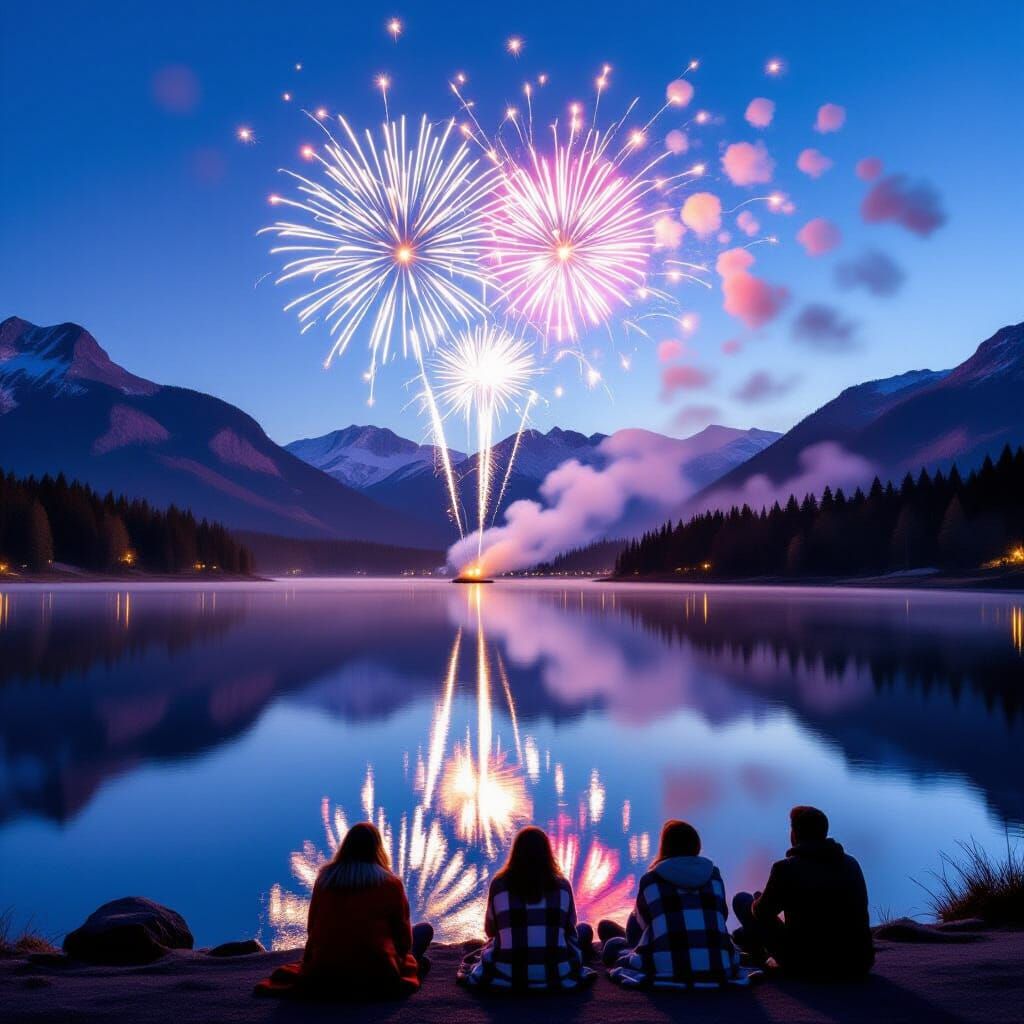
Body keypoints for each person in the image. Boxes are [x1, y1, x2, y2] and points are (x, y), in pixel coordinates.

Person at [254, 822, 433, 999]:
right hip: (377, 972)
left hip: (322, 971)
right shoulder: (391, 884)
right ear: (378, 849)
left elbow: (312, 928)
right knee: (424, 930)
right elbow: (404, 940)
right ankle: (414, 964)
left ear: (345, 847)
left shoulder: (324, 880)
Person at [732, 805, 874, 979]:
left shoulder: (785, 868)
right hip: (857, 963)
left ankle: (762, 956)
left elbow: (762, 913)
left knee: (742, 901)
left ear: (795, 834)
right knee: (745, 931)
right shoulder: (851, 864)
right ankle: (748, 940)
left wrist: (757, 900)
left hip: (808, 964)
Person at [601, 819, 744, 989]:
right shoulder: (714, 876)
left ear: (665, 847)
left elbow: (642, 926)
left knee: (613, 942)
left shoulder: (651, 879)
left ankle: (628, 946)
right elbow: (722, 917)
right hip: (718, 966)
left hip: (664, 968)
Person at [457, 826, 596, 990]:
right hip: (557, 972)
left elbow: (490, 931)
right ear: (547, 854)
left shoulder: (499, 884)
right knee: (583, 930)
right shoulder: (563, 886)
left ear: (515, 853)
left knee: (484, 946)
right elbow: (569, 929)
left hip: (506, 973)